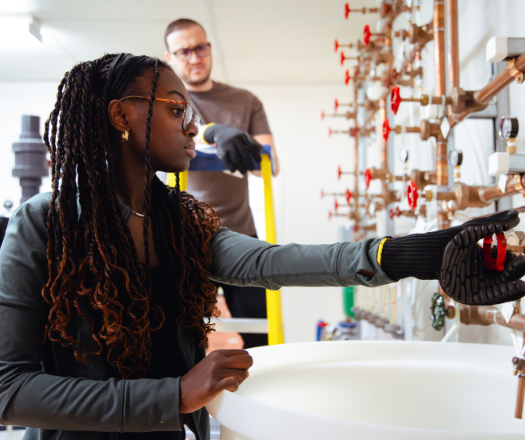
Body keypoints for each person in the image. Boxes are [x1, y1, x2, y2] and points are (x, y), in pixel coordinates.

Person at [0, 54, 524, 440]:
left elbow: (271, 262)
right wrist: (173, 395)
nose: (192, 126)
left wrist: (415, 255)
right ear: (120, 117)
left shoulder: (180, 223)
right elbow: (10, 390)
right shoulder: (42, 225)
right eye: (177, 108)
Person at [164, 18, 278, 348]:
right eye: (183, 51)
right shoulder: (166, 102)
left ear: (209, 48)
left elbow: (269, 166)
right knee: (181, 339)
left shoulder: (245, 101)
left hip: (242, 235)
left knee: (262, 335)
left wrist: (245, 144)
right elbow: (175, 137)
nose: (194, 57)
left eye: (200, 47)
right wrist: (214, 131)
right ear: (170, 57)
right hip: (185, 238)